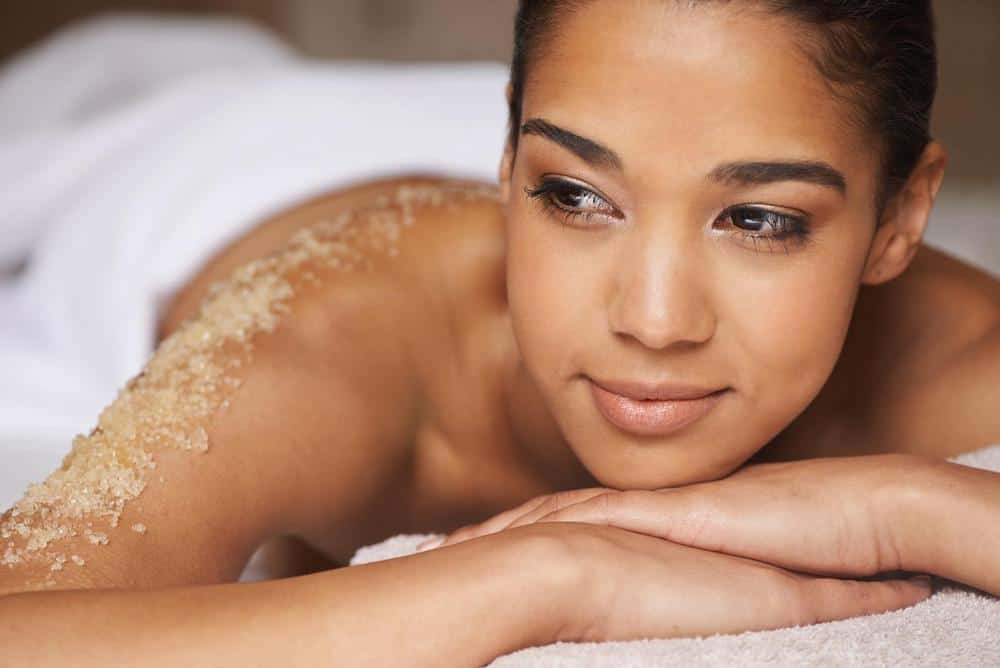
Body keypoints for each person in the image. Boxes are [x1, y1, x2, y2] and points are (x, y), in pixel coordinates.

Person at [1, 1, 998, 665]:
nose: (652, 322)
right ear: (510, 161)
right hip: (198, 165)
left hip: (632, 101)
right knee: (104, 74)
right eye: (568, 193)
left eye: (760, 220)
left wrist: (899, 504)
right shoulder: (334, 344)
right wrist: (546, 578)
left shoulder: (950, 353)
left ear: (900, 218)